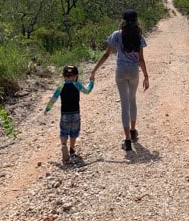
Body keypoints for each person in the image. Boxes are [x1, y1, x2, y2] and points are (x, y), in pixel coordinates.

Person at [90, 9, 149, 151]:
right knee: (132, 100)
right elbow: (141, 59)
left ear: (123, 21)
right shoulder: (139, 37)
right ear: (136, 21)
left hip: (121, 70)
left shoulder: (117, 35)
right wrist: (146, 76)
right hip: (134, 71)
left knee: (124, 104)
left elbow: (106, 54)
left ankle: (127, 139)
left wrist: (94, 70)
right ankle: (134, 131)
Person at [44, 65, 94, 163]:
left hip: (64, 114)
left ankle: (63, 145)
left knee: (63, 131)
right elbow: (87, 91)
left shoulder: (60, 86)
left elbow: (53, 98)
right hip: (75, 113)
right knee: (73, 132)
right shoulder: (77, 84)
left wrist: (47, 108)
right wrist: (92, 82)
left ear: (63, 76)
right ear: (76, 76)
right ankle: (71, 150)